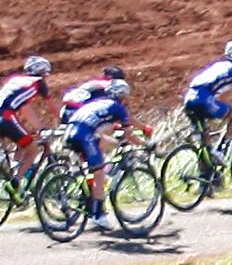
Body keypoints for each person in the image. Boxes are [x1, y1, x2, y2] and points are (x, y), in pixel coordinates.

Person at [53, 79, 138, 214]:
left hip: (71, 132)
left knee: (99, 157)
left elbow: (101, 131)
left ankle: (88, 197)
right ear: (123, 96)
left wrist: (116, 141)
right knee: (98, 173)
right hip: (84, 136)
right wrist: (146, 144)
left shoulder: (99, 103)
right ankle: (98, 215)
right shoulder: (118, 108)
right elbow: (129, 135)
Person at [178, 40, 232, 150]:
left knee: (205, 140)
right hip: (204, 100)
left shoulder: (219, 65)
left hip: (189, 98)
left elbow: (212, 89)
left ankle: (207, 163)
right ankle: (223, 148)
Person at [0, 55, 50, 176]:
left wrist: (34, 128)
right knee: (32, 149)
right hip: (5, 117)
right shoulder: (38, 83)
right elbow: (52, 108)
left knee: (22, 142)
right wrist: (43, 127)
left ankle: (10, 171)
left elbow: (24, 109)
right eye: (45, 72)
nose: (46, 76)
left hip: (6, 117)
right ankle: (16, 183)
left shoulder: (16, 80)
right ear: (41, 72)